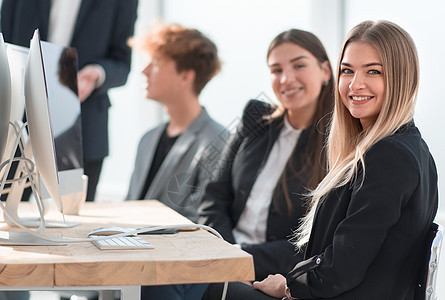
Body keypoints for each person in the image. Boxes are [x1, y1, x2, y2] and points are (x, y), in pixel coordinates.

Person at [207, 20, 438, 300]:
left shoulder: (389, 155)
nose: (355, 84)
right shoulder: (403, 148)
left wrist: (286, 285)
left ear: (401, 78)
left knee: (207, 290)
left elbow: (341, 268)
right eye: (348, 70)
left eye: (373, 71)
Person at [198, 27, 334, 289]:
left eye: (299, 66)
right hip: (222, 257)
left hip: (273, 275)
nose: (286, 79)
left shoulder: (336, 144)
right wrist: (228, 256)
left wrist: (244, 261)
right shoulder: (255, 117)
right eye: (276, 70)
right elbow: (214, 196)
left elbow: (314, 243)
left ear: (325, 71)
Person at [125, 23, 229, 299]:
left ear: (186, 76)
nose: (144, 71)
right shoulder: (148, 139)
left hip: (172, 274)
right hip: (134, 262)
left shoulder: (218, 141)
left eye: (156, 63)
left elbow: (203, 226)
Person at [0, 0, 138, 202]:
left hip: (83, 123)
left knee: (75, 220)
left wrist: (97, 74)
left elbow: (122, 63)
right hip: (17, 119)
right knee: (5, 210)